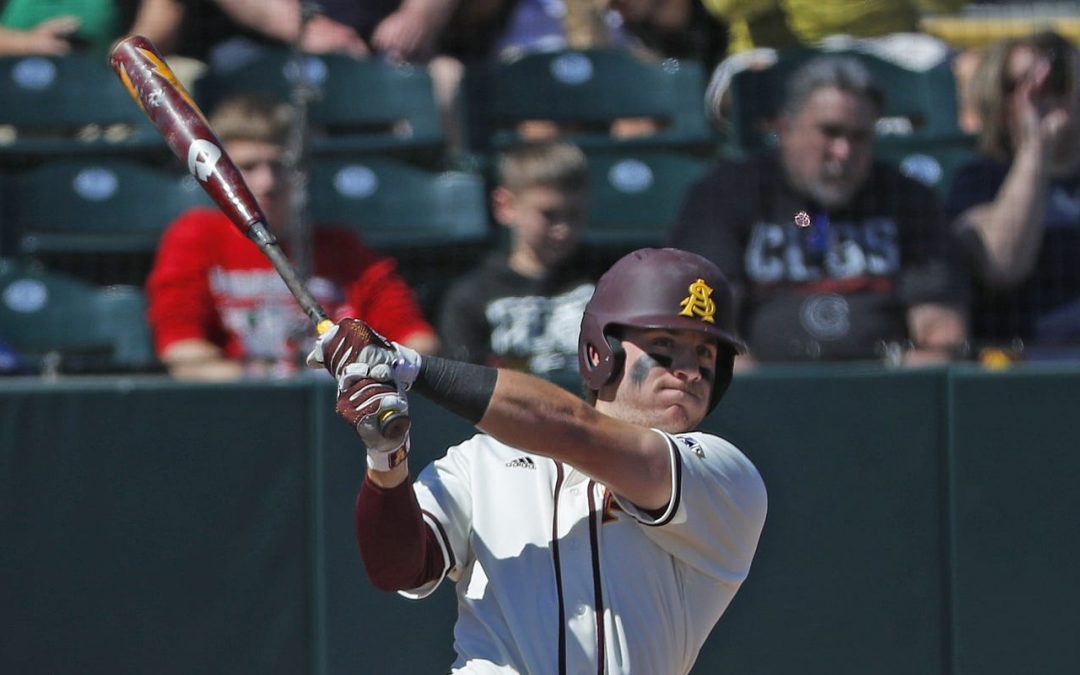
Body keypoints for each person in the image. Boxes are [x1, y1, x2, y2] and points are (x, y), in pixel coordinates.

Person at [306, 246, 767, 674]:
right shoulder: (480, 460)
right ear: (599, 350)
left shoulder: (723, 476)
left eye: (705, 355)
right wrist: (386, 457)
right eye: (665, 347)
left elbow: (575, 431)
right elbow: (399, 568)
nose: (687, 370)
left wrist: (412, 366)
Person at [671, 54, 969, 366]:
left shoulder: (908, 200)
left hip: (885, 392)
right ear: (786, 129)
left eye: (859, 136)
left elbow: (941, 336)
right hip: (762, 393)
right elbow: (705, 326)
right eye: (830, 132)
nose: (843, 152)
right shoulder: (726, 194)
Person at [145, 94, 438, 381]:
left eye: (279, 166)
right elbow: (182, 353)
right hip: (240, 410)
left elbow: (418, 340)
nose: (268, 182)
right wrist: (271, 384)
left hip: (340, 409)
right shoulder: (196, 236)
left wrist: (363, 381)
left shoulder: (341, 246)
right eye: (248, 167)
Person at [945, 31, 1080, 352]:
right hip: (1025, 367)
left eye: (1056, 81)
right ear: (995, 96)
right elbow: (1001, 266)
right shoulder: (977, 180)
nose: (1039, 94)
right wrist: (1036, 145)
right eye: (1016, 84)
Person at [437, 140, 596, 377]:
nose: (563, 228)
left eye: (574, 214)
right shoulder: (471, 298)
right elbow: (464, 389)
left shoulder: (604, 282)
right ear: (505, 206)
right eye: (548, 215)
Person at [0, 0, 183, 58]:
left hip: (106, 80)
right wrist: (27, 43)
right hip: (15, 79)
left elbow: (163, 12)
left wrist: (125, 53)